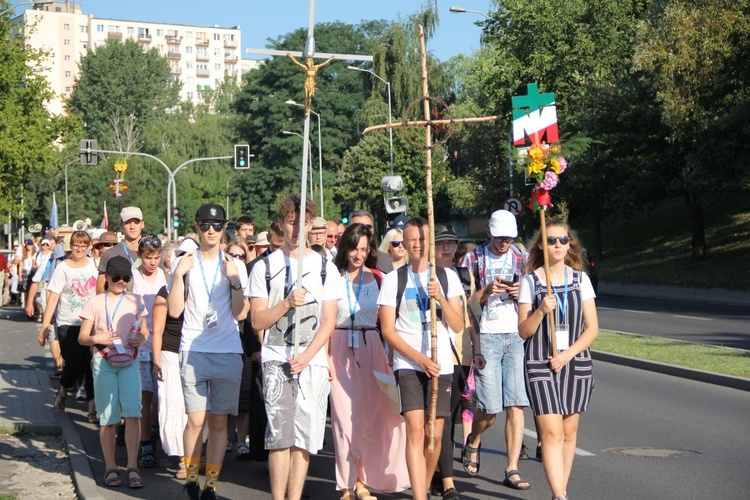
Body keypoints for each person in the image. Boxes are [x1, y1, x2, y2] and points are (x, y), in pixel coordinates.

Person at [248, 195, 339, 500]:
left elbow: (328, 321)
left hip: (310, 361)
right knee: (280, 437)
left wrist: (309, 356)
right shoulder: (265, 267)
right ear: (281, 224)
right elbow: (257, 320)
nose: (298, 229)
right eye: (291, 222)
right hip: (276, 358)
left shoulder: (326, 266)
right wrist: (286, 302)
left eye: (304, 223)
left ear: (312, 225)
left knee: (304, 439)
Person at [377, 217, 464, 500]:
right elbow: (388, 330)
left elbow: (458, 323)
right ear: (404, 242)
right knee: (416, 430)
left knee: (435, 435)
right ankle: (418, 496)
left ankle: (424, 485)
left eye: (422, 239)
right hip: (409, 364)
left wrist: (441, 298)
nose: (417, 244)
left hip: (441, 365)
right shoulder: (393, 279)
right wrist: (418, 358)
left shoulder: (447, 277)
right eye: (412, 239)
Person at [168, 203, 250, 500]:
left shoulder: (235, 264)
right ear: (197, 226)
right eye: (205, 225)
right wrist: (178, 276)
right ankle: (191, 479)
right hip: (193, 349)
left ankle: (211, 484)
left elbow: (241, 314)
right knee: (195, 419)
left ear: (225, 227)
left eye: (217, 225)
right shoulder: (185, 263)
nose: (211, 230)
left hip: (228, 351)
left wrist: (236, 281)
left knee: (218, 422)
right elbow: (175, 310)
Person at [518, 220, 598, 500]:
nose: (558, 245)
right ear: (541, 244)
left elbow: (593, 328)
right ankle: (560, 496)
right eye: (551, 240)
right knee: (550, 432)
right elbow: (523, 331)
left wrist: (567, 355)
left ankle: (559, 492)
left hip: (574, 361)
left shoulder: (581, 279)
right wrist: (541, 310)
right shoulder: (531, 281)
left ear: (569, 243)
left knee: (568, 431)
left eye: (563, 240)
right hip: (541, 363)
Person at [329, 223, 409, 499]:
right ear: (344, 248)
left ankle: (362, 481)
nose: (358, 254)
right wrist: (326, 357)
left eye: (363, 249)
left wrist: (392, 353)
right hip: (338, 346)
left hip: (372, 347)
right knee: (343, 420)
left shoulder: (379, 278)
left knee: (369, 418)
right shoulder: (333, 277)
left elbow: (391, 320)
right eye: (353, 248)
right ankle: (346, 484)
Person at [459, 210, 531, 490]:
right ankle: (473, 440)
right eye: (500, 237)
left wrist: (518, 294)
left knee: (515, 405)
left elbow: (533, 296)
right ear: (489, 233)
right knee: (489, 408)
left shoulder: (521, 258)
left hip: (514, 335)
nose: (504, 243)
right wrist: (487, 291)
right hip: (485, 336)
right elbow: (463, 302)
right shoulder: (472, 258)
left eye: (509, 238)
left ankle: (512, 468)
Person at [79, 255, 150, 489]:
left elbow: (145, 332)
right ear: (106, 278)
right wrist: (95, 338)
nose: (121, 282)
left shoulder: (136, 300)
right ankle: (110, 466)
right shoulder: (95, 302)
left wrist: (140, 338)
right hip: (103, 360)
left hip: (129, 360)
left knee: (132, 413)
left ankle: (132, 466)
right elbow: (82, 337)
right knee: (107, 417)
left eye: (125, 278)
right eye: (116, 278)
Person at [430, 225, 477, 500]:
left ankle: (441, 472)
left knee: (449, 420)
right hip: (430, 355)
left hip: (459, 355)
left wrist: (476, 348)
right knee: (439, 420)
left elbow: (467, 317)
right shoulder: (421, 275)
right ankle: (442, 476)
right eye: (440, 243)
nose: (446, 248)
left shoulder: (459, 276)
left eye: (450, 243)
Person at [39, 231, 98, 422]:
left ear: (89, 247)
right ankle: (63, 391)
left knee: (91, 367)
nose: (80, 249)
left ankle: (92, 409)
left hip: (89, 324)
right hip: (67, 324)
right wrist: (45, 326)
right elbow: (53, 298)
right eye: (76, 245)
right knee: (73, 366)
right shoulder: (62, 268)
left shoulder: (94, 266)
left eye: (83, 245)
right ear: (70, 247)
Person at [152, 238, 198, 480]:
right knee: (176, 408)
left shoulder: (204, 289)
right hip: (170, 355)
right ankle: (182, 460)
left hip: (197, 354)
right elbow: (157, 330)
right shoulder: (166, 291)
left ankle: (194, 456)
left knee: (198, 410)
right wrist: (156, 360)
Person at [131, 234, 168, 469]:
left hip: (161, 343)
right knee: (144, 397)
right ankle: (145, 444)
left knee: (159, 399)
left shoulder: (164, 277)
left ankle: (154, 430)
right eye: (148, 257)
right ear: (140, 256)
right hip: (141, 344)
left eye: (156, 257)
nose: (152, 262)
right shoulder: (134, 278)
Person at [97, 207, 145, 293]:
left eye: (136, 222)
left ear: (142, 224)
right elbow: (100, 290)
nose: (132, 227)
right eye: (128, 223)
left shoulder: (152, 254)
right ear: (121, 225)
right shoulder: (109, 254)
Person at [350, 209, 393, 274]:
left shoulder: (384, 260)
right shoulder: (339, 261)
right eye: (357, 227)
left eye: (367, 227)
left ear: (372, 230)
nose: (363, 231)